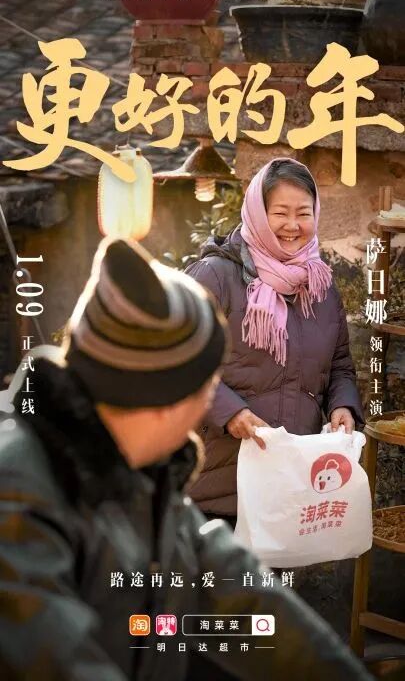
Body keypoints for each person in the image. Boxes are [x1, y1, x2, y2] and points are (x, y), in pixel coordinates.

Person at [0, 237, 372, 681]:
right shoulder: (18, 498)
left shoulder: (145, 477)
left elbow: (248, 602)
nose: (207, 408)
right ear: (166, 399)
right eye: (208, 387)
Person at [185, 158, 364, 529]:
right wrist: (228, 412)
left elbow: (340, 365)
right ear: (257, 212)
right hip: (216, 490)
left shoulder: (320, 286)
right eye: (280, 213)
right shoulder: (216, 276)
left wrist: (342, 405)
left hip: (288, 488)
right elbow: (178, 359)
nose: (293, 225)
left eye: (304, 213)